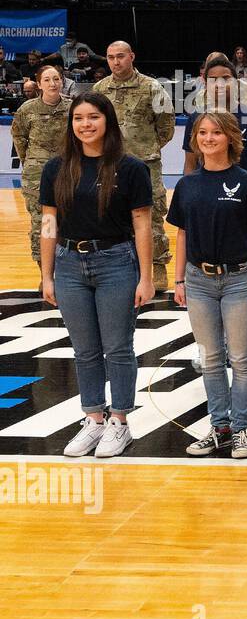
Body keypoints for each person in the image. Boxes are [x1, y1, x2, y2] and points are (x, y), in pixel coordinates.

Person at [42, 93, 153, 459]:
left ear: (107, 121)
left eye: (93, 117)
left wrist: (146, 276)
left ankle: (119, 421)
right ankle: (93, 418)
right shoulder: (56, 167)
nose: (85, 125)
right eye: (78, 118)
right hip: (69, 264)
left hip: (116, 262)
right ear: (70, 124)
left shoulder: (131, 168)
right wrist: (47, 274)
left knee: (118, 347)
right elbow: (48, 224)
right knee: (85, 349)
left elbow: (142, 224)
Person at [169, 111, 247, 460]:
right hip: (198, 280)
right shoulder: (187, 185)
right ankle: (220, 427)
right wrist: (179, 279)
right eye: (202, 133)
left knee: (241, 358)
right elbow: (182, 233)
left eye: (215, 132)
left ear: (230, 137)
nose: (208, 138)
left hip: (240, 279)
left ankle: (241, 428)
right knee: (211, 358)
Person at [93, 41, 175, 289]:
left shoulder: (152, 87)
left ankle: (158, 267)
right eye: (110, 57)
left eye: (120, 56)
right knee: (110, 213)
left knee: (152, 216)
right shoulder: (99, 89)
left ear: (132, 57)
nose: (115, 62)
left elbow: (166, 127)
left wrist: (145, 149)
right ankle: (117, 266)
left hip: (144, 164)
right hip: (108, 164)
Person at [183, 56, 247, 205]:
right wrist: (186, 202)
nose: (219, 83)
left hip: (244, 198)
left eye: (226, 78)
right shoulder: (195, 119)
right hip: (204, 197)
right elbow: (190, 163)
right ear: (205, 83)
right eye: (213, 79)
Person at [12, 64, 71, 266]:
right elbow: (20, 140)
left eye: (56, 79)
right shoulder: (26, 110)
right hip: (36, 176)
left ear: (62, 81)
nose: (52, 83)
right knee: (41, 223)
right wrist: (32, 162)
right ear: (38, 84)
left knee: (70, 220)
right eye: (46, 80)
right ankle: (44, 269)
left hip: (69, 173)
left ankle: (67, 268)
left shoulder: (73, 108)